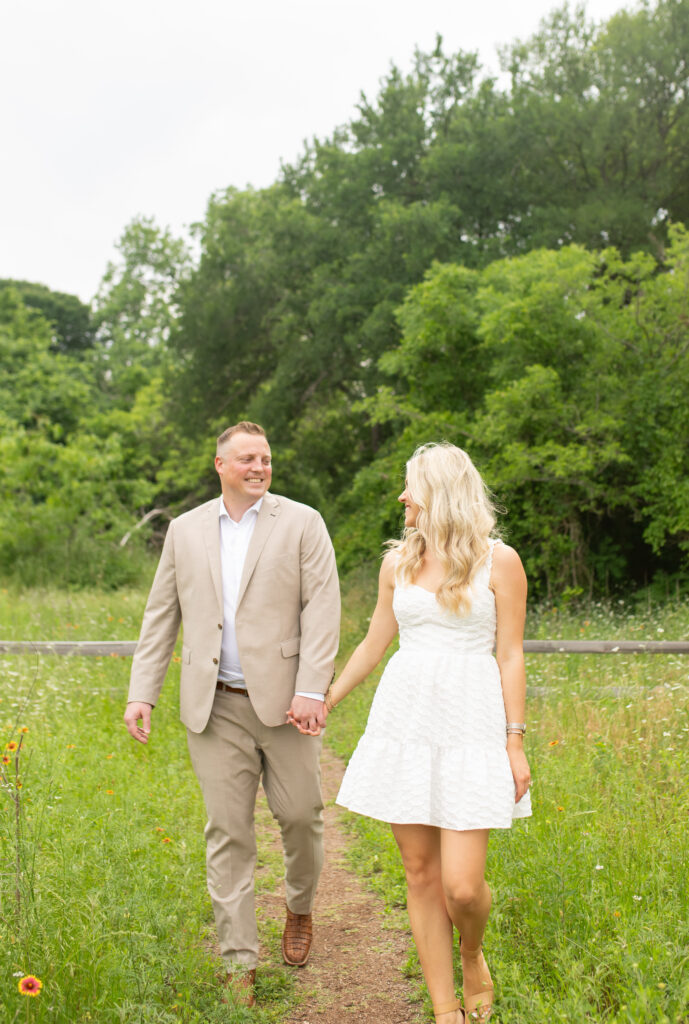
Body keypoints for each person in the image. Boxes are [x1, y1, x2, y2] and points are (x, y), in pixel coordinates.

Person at [294, 442, 531, 1023]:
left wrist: (515, 740)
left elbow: (511, 654)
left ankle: (471, 951)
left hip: (474, 727)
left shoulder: (501, 562)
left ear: (442, 493)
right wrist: (324, 697)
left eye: (411, 486)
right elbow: (375, 643)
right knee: (421, 873)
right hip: (406, 723)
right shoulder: (395, 563)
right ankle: (445, 1008)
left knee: (464, 888)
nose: (402, 496)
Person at [124, 421, 340, 1007]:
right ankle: (238, 961)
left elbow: (323, 608)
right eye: (246, 458)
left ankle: (299, 907)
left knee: (301, 817)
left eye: (265, 458)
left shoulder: (302, 523)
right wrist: (142, 691)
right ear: (219, 464)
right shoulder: (185, 530)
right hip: (214, 705)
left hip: (286, 706)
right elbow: (161, 612)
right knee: (229, 832)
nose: (258, 467)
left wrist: (313, 689)